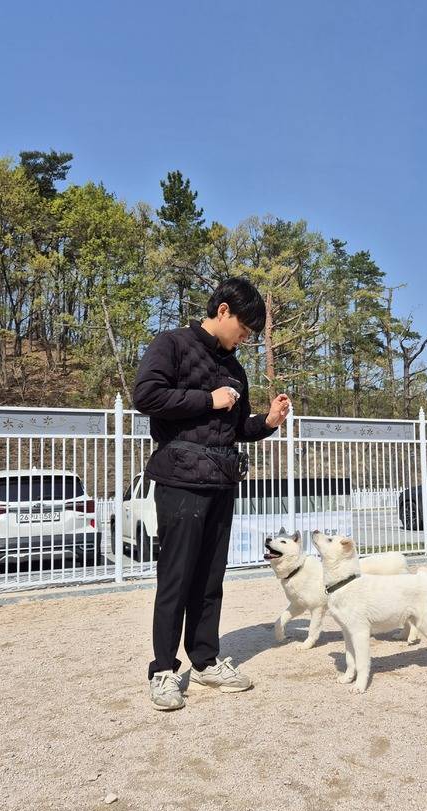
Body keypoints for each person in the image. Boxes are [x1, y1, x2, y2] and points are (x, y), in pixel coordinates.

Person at [133, 277, 290, 710]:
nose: (246, 338)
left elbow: (237, 429)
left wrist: (268, 422)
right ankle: (163, 670)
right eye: (244, 328)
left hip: (222, 479)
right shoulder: (172, 344)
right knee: (176, 577)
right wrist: (208, 400)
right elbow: (146, 396)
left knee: (210, 579)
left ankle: (204, 660)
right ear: (223, 311)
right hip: (180, 479)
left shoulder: (235, 369)